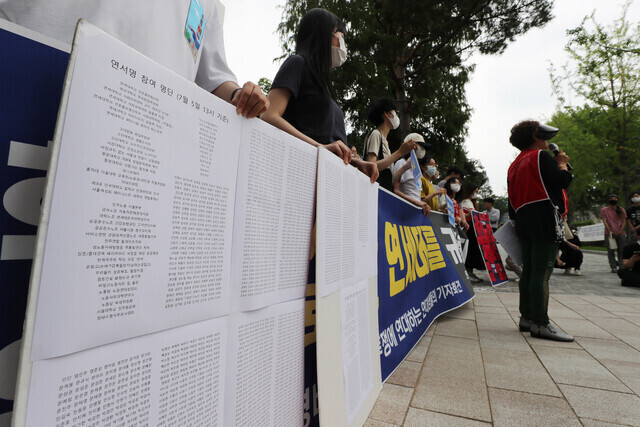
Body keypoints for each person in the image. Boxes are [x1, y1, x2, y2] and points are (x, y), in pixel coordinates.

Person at [0, 0, 269, 118]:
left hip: (147, 132)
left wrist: (240, 96)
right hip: (37, 87)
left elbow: (215, 78)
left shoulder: (206, 3)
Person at [261, 8, 378, 181]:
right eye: (340, 37)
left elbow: (332, 145)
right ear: (323, 35)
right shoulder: (297, 63)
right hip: (298, 175)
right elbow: (268, 116)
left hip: (327, 181)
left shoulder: (326, 87)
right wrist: (321, 148)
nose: (343, 45)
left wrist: (354, 162)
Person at [507, 120, 574, 342]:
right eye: (542, 134)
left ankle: (526, 317)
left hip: (524, 220)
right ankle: (541, 323)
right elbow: (561, 181)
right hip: (544, 217)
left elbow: (511, 200)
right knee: (541, 272)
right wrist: (562, 164)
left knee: (529, 270)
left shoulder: (515, 164)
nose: (547, 139)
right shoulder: (539, 156)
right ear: (535, 136)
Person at [363, 98, 416, 191]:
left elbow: (389, 177)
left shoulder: (385, 141)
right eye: (395, 112)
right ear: (387, 114)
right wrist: (399, 153)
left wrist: (405, 167)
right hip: (374, 192)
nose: (397, 116)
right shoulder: (376, 134)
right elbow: (371, 166)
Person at [391, 133, 431, 216]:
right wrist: (416, 202)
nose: (423, 150)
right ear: (412, 146)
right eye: (421, 146)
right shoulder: (401, 163)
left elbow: (415, 194)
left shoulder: (417, 168)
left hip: (414, 212)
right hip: (403, 210)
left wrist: (420, 204)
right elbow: (395, 190)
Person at [458, 183, 485, 283]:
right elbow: (463, 215)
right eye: (475, 192)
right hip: (468, 229)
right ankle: (468, 272)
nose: (476, 194)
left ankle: (470, 271)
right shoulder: (465, 202)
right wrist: (470, 215)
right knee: (468, 252)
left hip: (474, 230)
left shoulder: (471, 202)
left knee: (473, 251)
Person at [600, 194, 627, 273]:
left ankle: (622, 266)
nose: (613, 200)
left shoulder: (621, 209)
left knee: (621, 250)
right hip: (609, 234)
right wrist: (610, 231)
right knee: (611, 250)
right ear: (608, 200)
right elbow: (604, 221)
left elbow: (624, 221)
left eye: (615, 198)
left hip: (621, 233)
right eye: (611, 198)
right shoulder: (604, 210)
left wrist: (620, 230)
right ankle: (613, 266)